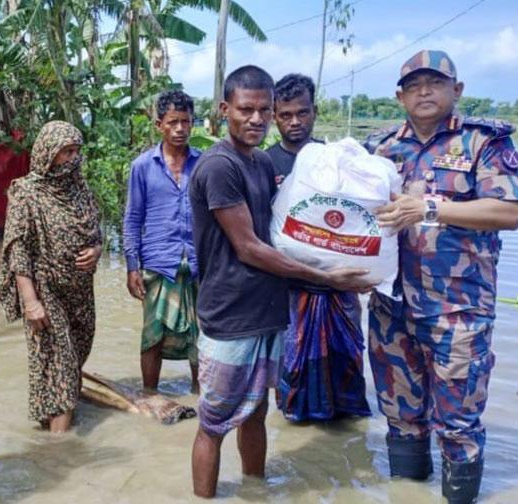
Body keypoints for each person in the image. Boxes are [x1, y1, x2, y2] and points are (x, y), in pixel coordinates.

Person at [188, 65, 373, 498]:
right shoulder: (220, 166)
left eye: (264, 110)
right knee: (213, 424)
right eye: (246, 109)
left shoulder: (259, 162)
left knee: (256, 414)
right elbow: (249, 248)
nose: (257, 119)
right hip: (230, 316)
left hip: (267, 311)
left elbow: (288, 231)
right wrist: (326, 276)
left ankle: (256, 491)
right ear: (223, 110)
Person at [365, 50, 518, 503]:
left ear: (457, 90)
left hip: (457, 310)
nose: (424, 91)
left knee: (459, 424)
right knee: (401, 417)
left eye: (435, 83)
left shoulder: (483, 142)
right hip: (391, 307)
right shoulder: (381, 149)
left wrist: (431, 207)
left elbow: (509, 212)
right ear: (400, 97)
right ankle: (407, 495)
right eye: (414, 85)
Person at [265, 74, 371, 422]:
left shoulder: (336, 159)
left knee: (347, 360)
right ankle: (298, 426)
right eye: (285, 115)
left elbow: (359, 218)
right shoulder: (265, 164)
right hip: (291, 289)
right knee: (293, 365)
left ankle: (346, 428)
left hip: (341, 285)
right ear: (274, 116)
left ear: (315, 111)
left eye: (303, 112)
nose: (295, 122)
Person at [0, 120, 102, 434]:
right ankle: (60, 454)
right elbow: (18, 249)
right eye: (65, 152)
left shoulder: (80, 189)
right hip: (46, 291)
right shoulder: (26, 192)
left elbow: (96, 233)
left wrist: (97, 251)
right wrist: (30, 301)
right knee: (61, 366)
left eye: (75, 151)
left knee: (71, 362)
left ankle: (50, 424)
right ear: (47, 154)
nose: (72, 159)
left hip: (81, 293)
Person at [123, 90, 200, 393]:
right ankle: (150, 394)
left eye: (185, 121)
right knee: (152, 335)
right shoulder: (142, 166)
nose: (180, 129)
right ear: (159, 125)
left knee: (201, 336)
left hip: (197, 262)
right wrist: (132, 266)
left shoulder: (204, 164)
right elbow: (132, 219)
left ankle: (199, 395)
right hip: (158, 263)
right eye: (173, 122)